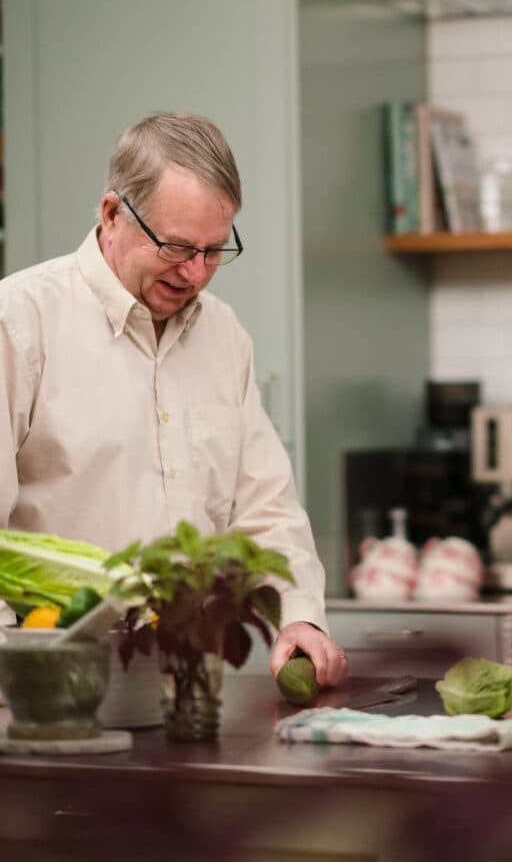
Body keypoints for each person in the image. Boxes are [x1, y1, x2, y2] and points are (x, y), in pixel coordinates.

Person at [0, 112, 349, 688]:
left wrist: (298, 616)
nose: (195, 273)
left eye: (214, 251)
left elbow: (265, 507)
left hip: (195, 684)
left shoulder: (224, 334)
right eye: (177, 246)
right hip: (54, 682)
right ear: (112, 214)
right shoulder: (20, 323)